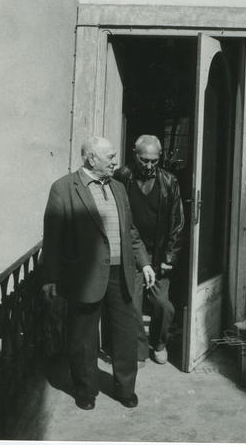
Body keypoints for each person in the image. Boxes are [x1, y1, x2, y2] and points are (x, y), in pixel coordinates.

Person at [42, 136, 155, 410]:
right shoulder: (63, 188)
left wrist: (144, 262)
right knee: (83, 338)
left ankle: (125, 388)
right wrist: (50, 278)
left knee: (125, 335)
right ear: (91, 158)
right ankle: (85, 390)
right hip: (84, 276)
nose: (115, 162)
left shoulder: (118, 187)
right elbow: (53, 238)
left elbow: (130, 230)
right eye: (110, 157)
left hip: (121, 273)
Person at [115, 135, 184, 365]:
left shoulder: (169, 181)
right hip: (131, 252)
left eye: (154, 160)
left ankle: (159, 342)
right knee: (133, 306)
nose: (149, 165)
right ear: (135, 155)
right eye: (144, 160)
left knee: (164, 305)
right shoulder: (122, 177)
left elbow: (177, 223)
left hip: (158, 254)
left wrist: (169, 257)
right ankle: (139, 350)